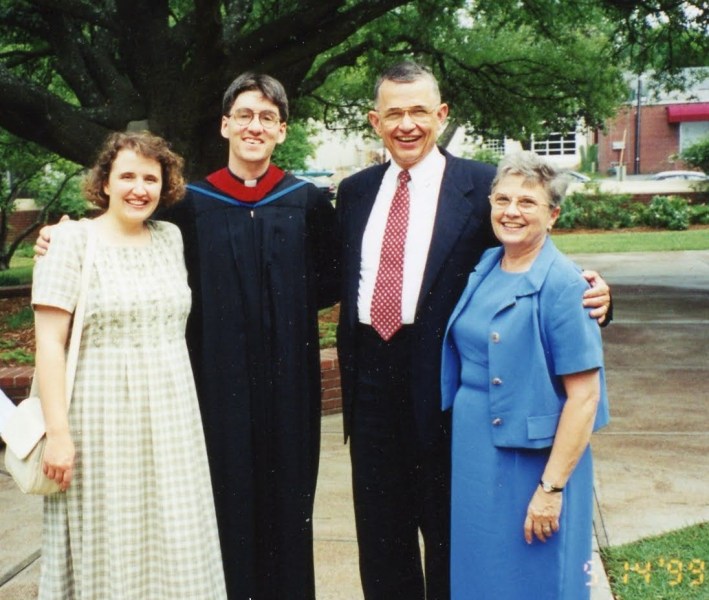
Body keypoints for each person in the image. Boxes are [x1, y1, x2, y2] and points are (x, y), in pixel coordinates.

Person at [36, 72, 339, 600]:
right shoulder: (190, 207)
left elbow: (327, 285)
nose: (254, 126)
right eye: (243, 115)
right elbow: (121, 228)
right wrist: (59, 234)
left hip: (288, 383)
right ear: (225, 125)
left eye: (267, 117)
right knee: (216, 504)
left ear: (282, 130)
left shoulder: (308, 202)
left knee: (289, 499)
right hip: (213, 385)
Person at [335, 61, 611, 600]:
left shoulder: (484, 185)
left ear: (441, 115)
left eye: (419, 111)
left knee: (451, 540)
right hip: (369, 387)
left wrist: (598, 295)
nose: (407, 124)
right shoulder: (355, 192)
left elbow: (531, 251)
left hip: (443, 390)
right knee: (382, 541)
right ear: (375, 121)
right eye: (394, 113)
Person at [33, 131, 226, 598]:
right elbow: (49, 343)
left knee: (173, 539)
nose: (139, 189)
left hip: (172, 423)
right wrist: (58, 436)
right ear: (104, 182)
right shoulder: (70, 241)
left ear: (165, 185)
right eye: (127, 177)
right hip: (100, 424)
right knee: (112, 538)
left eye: (151, 179)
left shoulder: (170, 239)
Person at [441, 151, 610, 599]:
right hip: (475, 449)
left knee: (533, 578)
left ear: (553, 215)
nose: (511, 211)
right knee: (481, 574)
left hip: (533, 461)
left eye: (527, 202)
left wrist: (550, 488)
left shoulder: (565, 284)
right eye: (502, 199)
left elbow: (585, 398)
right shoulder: (486, 265)